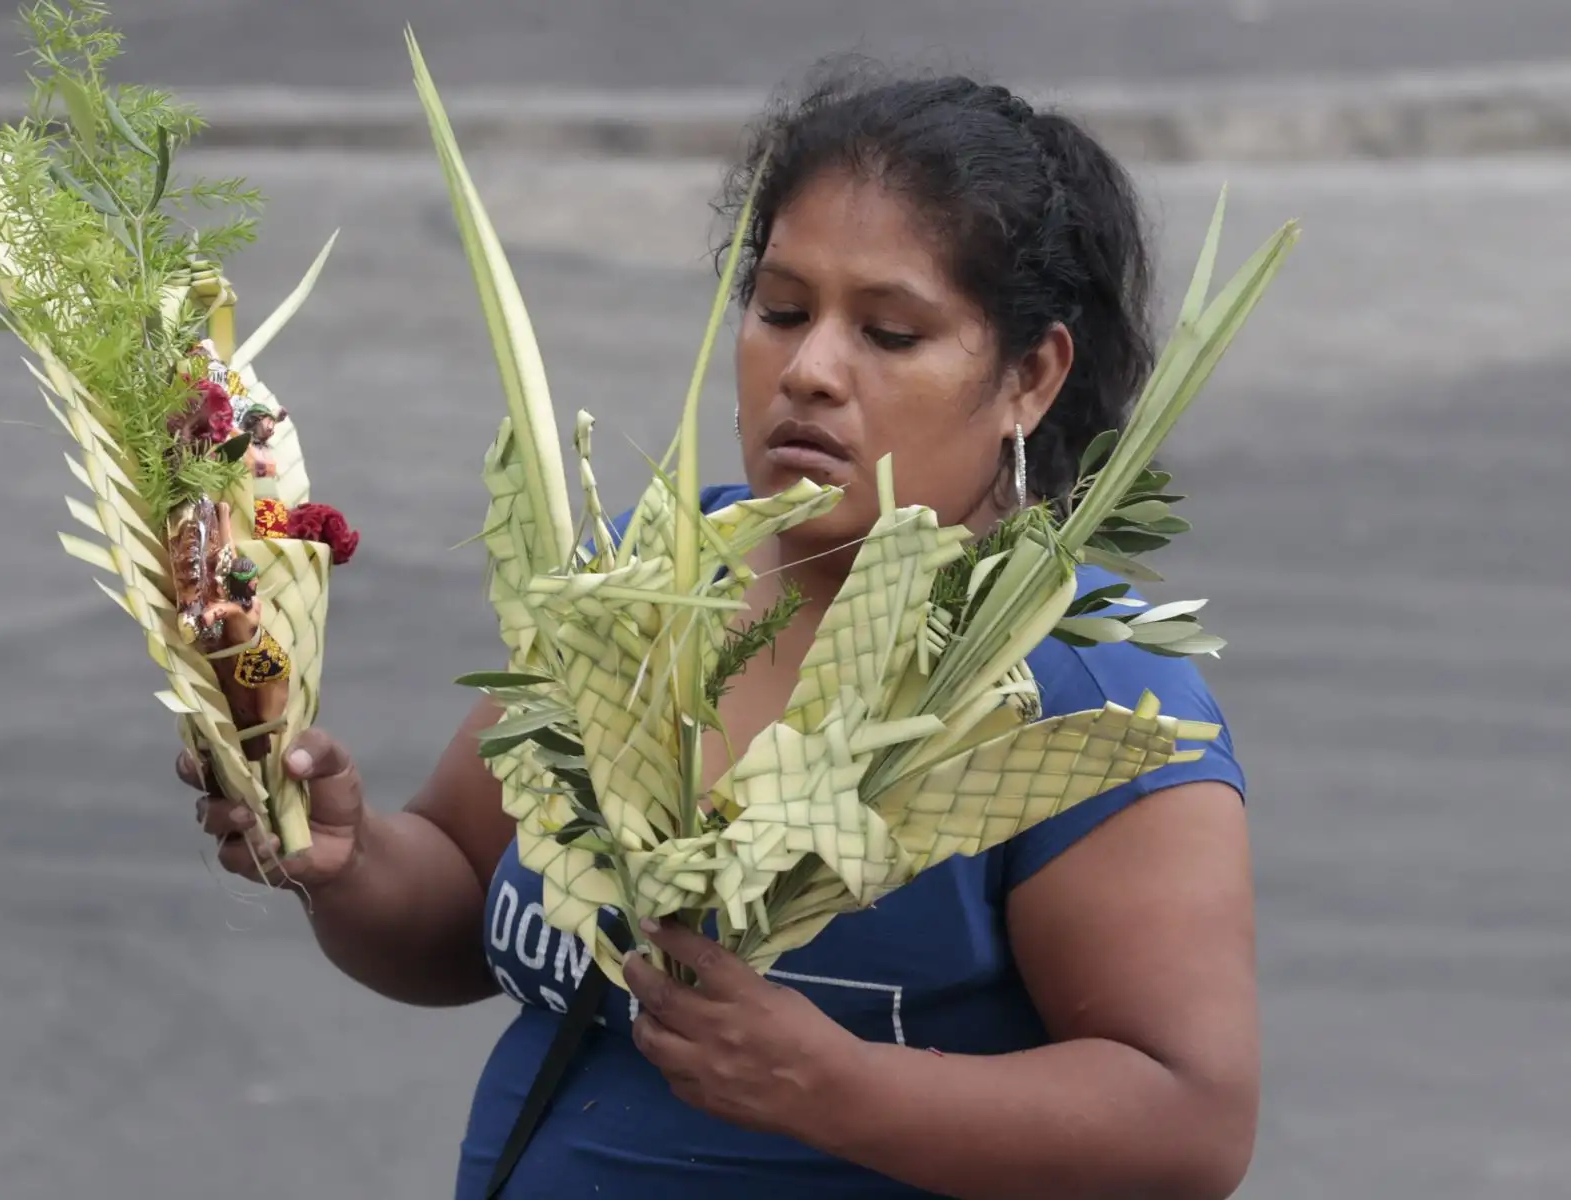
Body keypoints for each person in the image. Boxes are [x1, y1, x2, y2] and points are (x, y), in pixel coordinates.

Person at [178, 61, 1258, 1200]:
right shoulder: (660, 579)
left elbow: (1187, 1122)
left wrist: (835, 1089)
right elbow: (457, 905)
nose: (809, 371)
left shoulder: (1088, 693)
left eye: (889, 333)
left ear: (1030, 377)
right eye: (781, 309)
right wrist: (344, 860)